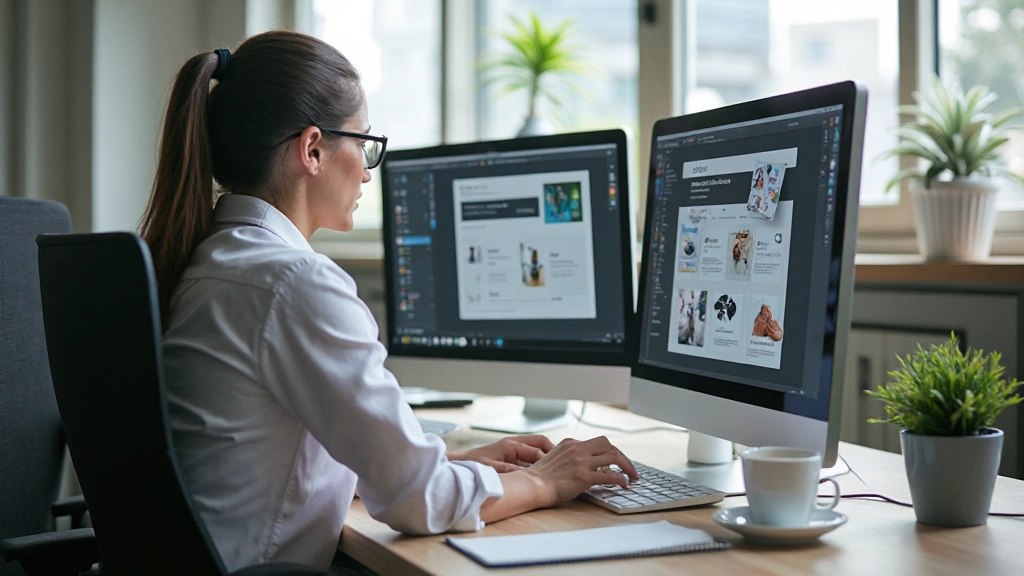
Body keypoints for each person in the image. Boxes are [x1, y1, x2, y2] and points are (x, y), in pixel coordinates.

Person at [141, 31, 637, 574]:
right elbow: (419, 501)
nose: (369, 168)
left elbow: (278, 444)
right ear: (312, 150)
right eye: (364, 142)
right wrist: (544, 480)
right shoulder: (293, 282)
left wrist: (443, 458)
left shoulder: (215, 258)